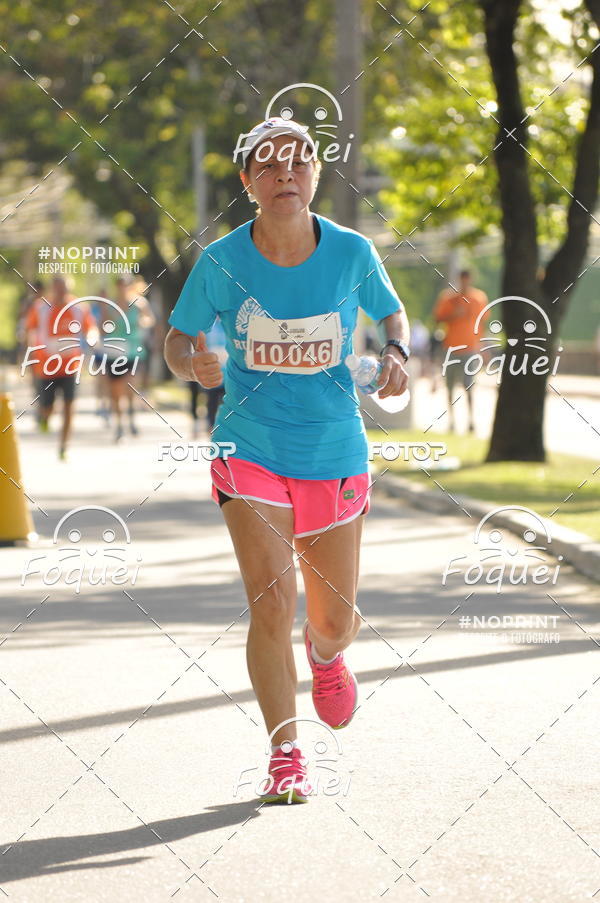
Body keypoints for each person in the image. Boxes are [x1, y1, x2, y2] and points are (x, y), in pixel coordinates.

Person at [164, 118, 410, 803]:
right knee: (271, 600)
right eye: (268, 166)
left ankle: (326, 656)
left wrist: (395, 353)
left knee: (336, 620)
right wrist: (192, 365)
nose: (285, 175)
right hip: (251, 444)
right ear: (248, 181)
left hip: (333, 447)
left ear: (315, 174)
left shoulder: (352, 251)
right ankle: (285, 754)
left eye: (298, 163)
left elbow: (393, 315)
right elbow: (177, 341)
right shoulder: (221, 261)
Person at [25, 276, 96, 459]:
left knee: (69, 407)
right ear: (52, 289)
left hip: (71, 366)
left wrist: (92, 339)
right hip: (46, 367)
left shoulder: (79, 308)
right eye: (58, 288)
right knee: (47, 407)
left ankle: (64, 447)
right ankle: (45, 416)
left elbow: (91, 328)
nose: (61, 293)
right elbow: (29, 330)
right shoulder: (40, 308)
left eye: (64, 289)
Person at [433, 269, 488, 432]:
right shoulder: (448, 298)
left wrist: (483, 346)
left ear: (470, 279)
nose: (464, 282)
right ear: (459, 279)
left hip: (470, 349)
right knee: (449, 386)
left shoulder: (479, 298)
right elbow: (437, 319)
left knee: (469, 385)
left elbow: (482, 324)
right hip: (450, 348)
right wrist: (453, 315)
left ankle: (471, 421)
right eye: (462, 279)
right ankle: (452, 421)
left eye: (467, 279)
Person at [104, 276, 155, 442]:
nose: (122, 287)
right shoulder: (110, 304)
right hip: (114, 352)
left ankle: (132, 417)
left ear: (129, 285)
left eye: (125, 284)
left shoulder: (139, 303)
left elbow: (150, 319)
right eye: (119, 284)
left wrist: (142, 322)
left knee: (130, 386)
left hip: (133, 351)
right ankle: (119, 425)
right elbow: (102, 325)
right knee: (116, 391)